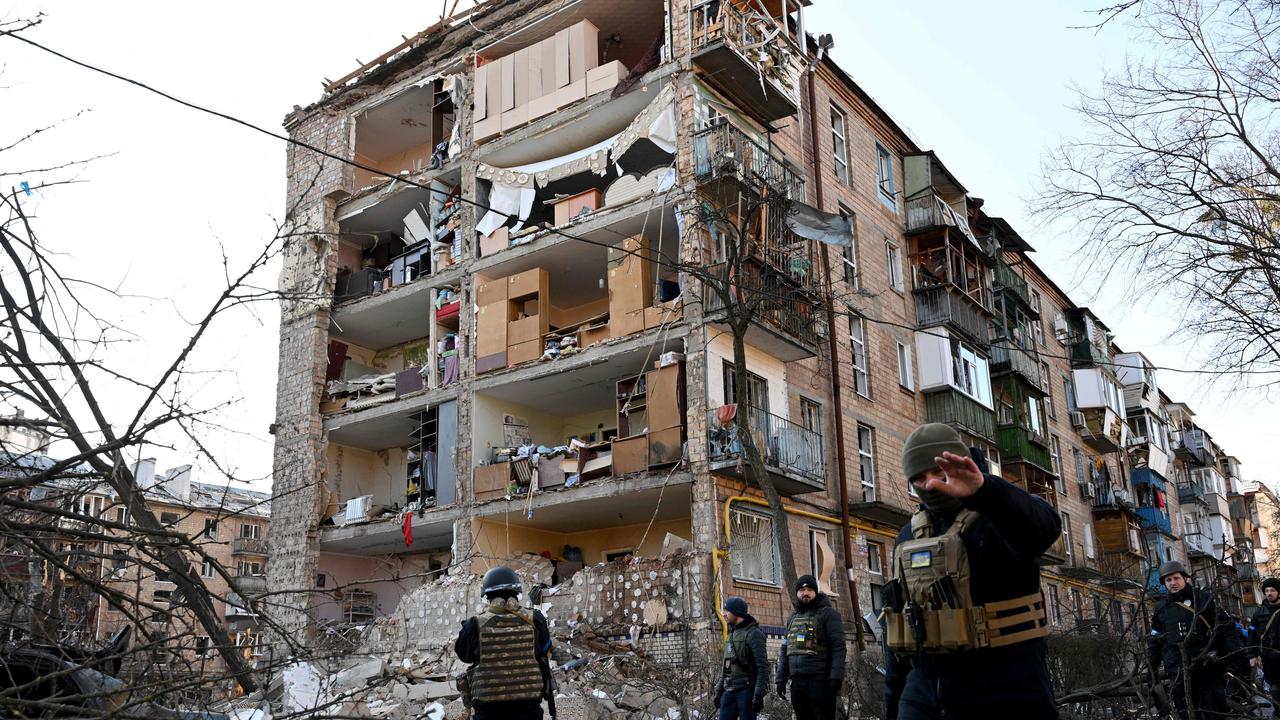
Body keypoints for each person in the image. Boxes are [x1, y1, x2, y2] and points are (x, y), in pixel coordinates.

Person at [881, 423, 1061, 720]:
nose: (930, 485)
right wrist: (893, 705)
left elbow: (1044, 529)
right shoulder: (910, 536)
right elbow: (898, 626)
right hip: (923, 701)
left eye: (939, 474)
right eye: (919, 478)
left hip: (1007, 695)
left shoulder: (1000, 512)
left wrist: (985, 491)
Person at [454, 566, 554, 720]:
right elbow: (545, 650)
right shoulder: (536, 619)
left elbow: (464, 656)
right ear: (517, 593)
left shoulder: (475, 624)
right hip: (528, 707)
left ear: (487, 596)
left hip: (489, 709)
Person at [1148, 560, 1239, 720]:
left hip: (1207, 667)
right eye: (1168, 580)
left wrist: (1226, 655)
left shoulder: (1203, 599)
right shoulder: (1161, 608)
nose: (1173, 583)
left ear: (1186, 579)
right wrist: (1152, 667)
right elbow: (1155, 640)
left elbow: (1226, 626)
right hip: (1177, 670)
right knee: (1186, 713)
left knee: (1214, 711)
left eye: (1176, 578)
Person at [775, 574, 846, 720]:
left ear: (815, 592)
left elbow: (838, 647)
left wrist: (836, 678)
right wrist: (781, 678)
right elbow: (785, 650)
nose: (805, 592)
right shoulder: (792, 618)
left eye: (809, 589)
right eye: (801, 589)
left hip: (820, 682)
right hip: (798, 683)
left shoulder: (828, 614)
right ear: (797, 593)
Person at [713, 596, 768, 720]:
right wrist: (719, 690)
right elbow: (726, 667)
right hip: (729, 691)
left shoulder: (754, 634)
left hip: (746, 691)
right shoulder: (732, 634)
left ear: (737, 613)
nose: (724, 614)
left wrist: (758, 694)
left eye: (727, 611)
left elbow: (763, 667)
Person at [1250, 577, 1280, 703]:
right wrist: (1252, 655)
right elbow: (1252, 633)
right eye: (1266, 590)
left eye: (1272, 590)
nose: (1269, 593)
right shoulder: (1259, 613)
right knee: (1274, 688)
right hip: (1269, 657)